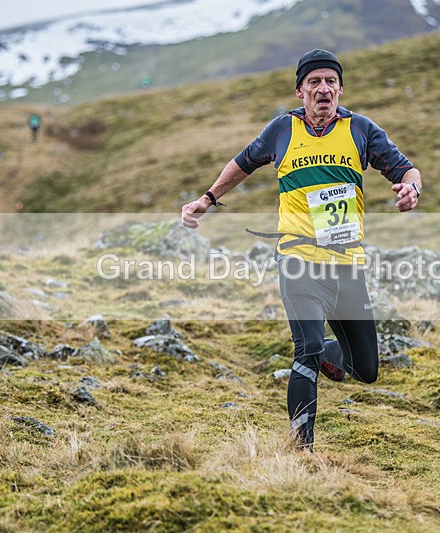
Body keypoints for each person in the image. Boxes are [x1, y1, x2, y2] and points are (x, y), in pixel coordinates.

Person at [181, 49, 422, 451]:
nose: (323, 88)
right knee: (305, 348)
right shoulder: (282, 130)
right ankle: (300, 451)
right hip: (297, 259)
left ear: (340, 89)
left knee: (366, 369)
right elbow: (242, 162)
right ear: (300, 92)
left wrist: (411, 189)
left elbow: (406, 169)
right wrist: (207, 198)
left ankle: (333, 353)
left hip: (345, 263)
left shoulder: (362, 130)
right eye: (314, 82)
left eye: (330, 81)